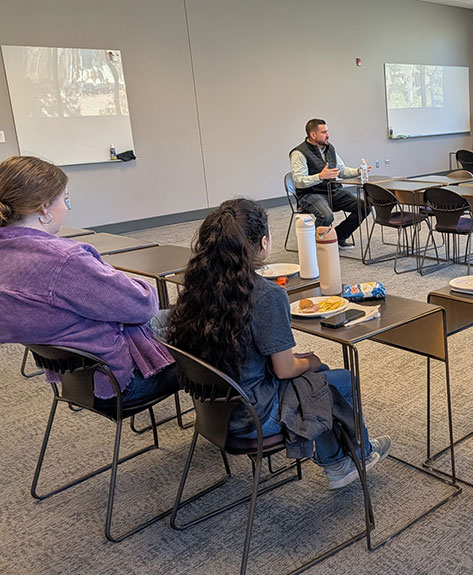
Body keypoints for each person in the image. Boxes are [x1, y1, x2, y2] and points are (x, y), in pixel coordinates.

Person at [166, 198, 390, 490]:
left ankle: (337, 462)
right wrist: (309, 360)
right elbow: (284, 370)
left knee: (313, 382)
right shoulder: (266, 295)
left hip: (214, 408)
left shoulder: (198, 284)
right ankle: (357, 455)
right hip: (254, 418)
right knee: (337, 379)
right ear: (262, 242)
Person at [0, 156, 176, 407]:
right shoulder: (64, 261)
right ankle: (237, 428)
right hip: (118, 382)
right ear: (43, 208)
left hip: (73, 379)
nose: (67, 207)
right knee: (215, 327)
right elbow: (143, 305)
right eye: (65, 199)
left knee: (184, 316)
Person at [290, 118, 370, 248]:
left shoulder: (329, 148)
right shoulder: (299, 153)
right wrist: (320, 176)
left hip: (333, 192)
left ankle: (338, 236)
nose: (328, 135)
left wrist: (358, 171)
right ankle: (315, 248)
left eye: (327, 131)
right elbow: (299, 181)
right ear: (313, 135)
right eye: (324, 132)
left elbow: (342, 171)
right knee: (326, 216)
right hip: (311, 194)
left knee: (364, 207)